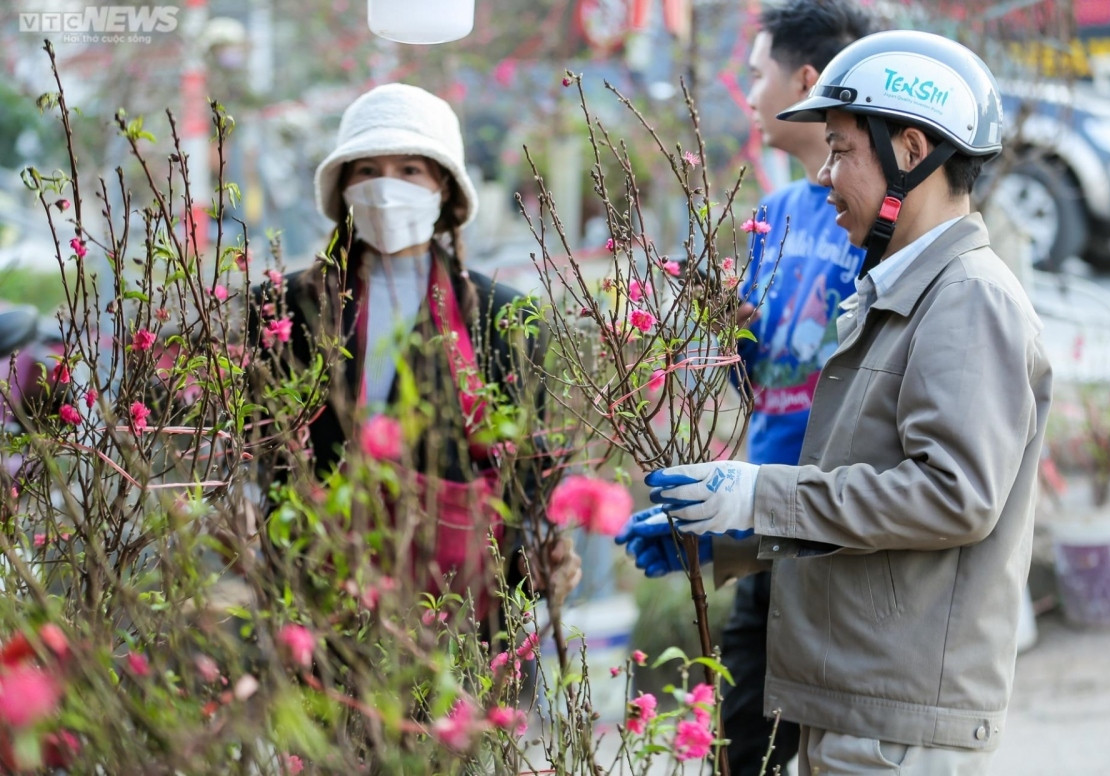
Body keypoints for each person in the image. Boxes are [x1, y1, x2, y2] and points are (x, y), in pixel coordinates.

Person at [623, 30, 1052, 774]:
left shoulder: (967, 300)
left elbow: (954, 497)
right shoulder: (895, 294)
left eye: (842, 150)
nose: (823, 176)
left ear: (911, 151)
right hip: (857, 706)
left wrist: (760, 493)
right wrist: (727, 537)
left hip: (900, 721)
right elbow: (862, 504)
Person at [256, 83, 579, 623]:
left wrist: (539, 557)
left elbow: (527, 467)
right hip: (316, 598)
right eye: (367, 171)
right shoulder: (286, 306)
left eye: (409, 170)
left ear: (444, 190)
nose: (386, 188)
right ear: (343, 190)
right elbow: (252, 444)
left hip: (453, 613)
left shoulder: (502, 315)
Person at [726, 2, 872, 773]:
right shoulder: (775, 214)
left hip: (835, 524)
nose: (748, 94)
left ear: (807, 81)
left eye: (758, 75)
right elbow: (763, 376)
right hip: (763, 517)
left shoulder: (877, 226)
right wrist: (735, 337)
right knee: (743, 735)